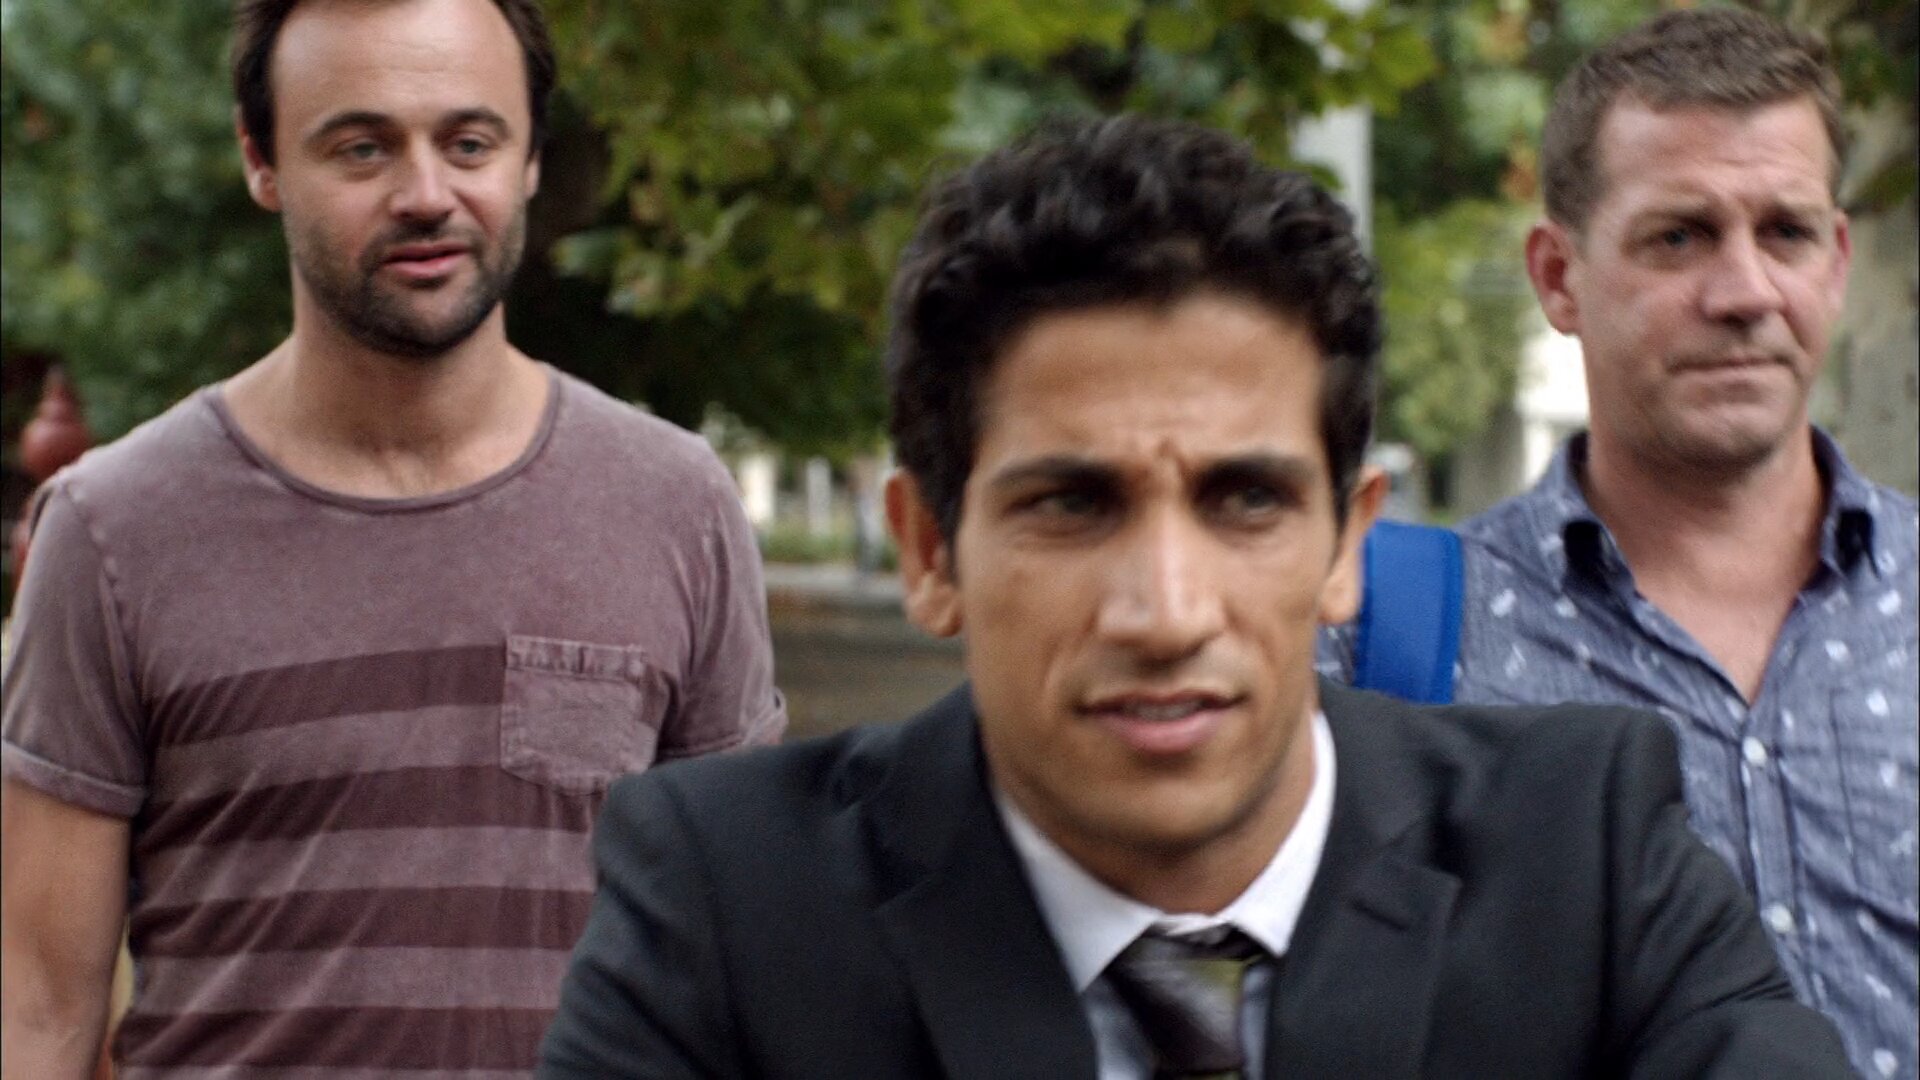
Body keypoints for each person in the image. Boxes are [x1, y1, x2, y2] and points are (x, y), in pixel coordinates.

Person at [536, 115, 1853, 1078]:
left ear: (1347, 542)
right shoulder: (725, 902)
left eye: (1246, 500)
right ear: (930, 551)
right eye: (1071, 504)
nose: (1166, 613)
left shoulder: (1586, 849)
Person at [0, 0, 785, 1073]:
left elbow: (748, 967)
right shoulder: (111, 530)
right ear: (262, 160)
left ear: (530, 159)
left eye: (470, 143)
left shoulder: (678, 505)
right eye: (361, 147)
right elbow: (38, 1007)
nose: (425, 194)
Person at [1319, 10, 1918, 1077]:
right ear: (1559, 276)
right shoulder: (1394, 640)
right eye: (1678, 237)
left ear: (1834, 261)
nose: (1743, 293)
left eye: (1784, 233)